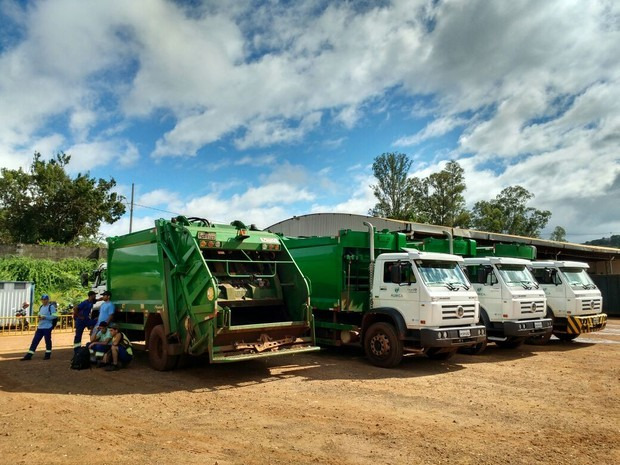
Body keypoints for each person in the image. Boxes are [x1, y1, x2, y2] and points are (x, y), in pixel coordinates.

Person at [20, 295, 57, 361]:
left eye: (45, 299)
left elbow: (54, 316)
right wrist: (39, 317)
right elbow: (39, 314)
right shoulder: (41, 307)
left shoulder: (51, 307)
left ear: (48, 300)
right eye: (42, 299)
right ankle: (29, 355)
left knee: (47, 341)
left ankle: (47, 354)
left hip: (47, 327)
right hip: (40, 327)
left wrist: (45, 317)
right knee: (35, 341)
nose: (43, 301)